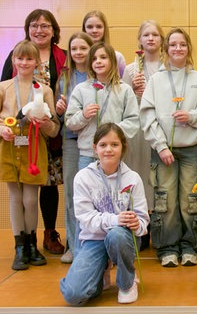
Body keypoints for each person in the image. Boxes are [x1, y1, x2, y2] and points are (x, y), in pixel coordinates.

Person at [140, 27, 197, 267]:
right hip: (164, 150)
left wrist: (191, 117)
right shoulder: (156, 80)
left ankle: (190, 246)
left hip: (192, 149)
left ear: (188, 48)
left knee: (191, 199)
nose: (178, 48)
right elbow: (147, 116)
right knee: (166, 200)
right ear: (165, 49)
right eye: (173, 44)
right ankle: (167, 247)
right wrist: (161, 146)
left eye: (182, 44)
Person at [0, 40, 60, 270]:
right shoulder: (3, 87)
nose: (24, 62)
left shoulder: (44, 90)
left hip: (33, 150)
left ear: (37, 62)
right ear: (13, 61)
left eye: (29, 59)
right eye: (20, 58)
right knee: (15, 198)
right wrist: (1, 129)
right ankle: (20, 247)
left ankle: (32, 244)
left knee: (30, 199)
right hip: (7, 149)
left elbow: (55, 127)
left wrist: (46, 123)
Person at [59, 123, 150, 305]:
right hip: (94, 240)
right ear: (95, 148)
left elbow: (143, 220)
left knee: (116, 234)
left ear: (123, 147)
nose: (108, 149)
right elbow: (84, 219)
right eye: (103, 145)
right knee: (74, 295)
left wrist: (136, 224)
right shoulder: (83, 177)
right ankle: (101, 270)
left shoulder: (133, 178)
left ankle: (127, 282)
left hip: (122, 239)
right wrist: (116, 219)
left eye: (114, 144)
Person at [0, 9, 66, 255]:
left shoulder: (63, 57)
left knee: (49, 184)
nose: (40, 29)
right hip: (21, 132)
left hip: (51, 129)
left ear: (53, 29)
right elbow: (4, 87)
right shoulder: (16, 55)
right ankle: (27, 240)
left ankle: (50, 233)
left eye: (45, 25)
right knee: (24, 190)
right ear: (28, 29)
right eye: (34, 25)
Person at [122, 20, 166, 251]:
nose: (150, 38)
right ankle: (139, 228)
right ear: (139, 40)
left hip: (160, 128)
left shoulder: (168, 67)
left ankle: (158, 225)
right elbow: (123, 99)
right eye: (146, 34)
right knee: (138, 174)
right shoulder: (131, 70)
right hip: (137, 131)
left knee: (157, 177)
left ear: (161, 40)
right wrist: (133, 90)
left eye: (155, 35)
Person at [65, 42, 140, 171]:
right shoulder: (81, 89)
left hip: (114, 154)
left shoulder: (125, 90)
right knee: (88, 190)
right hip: (88, 154)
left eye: (103, 57)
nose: (98, 61)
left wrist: (112, 132)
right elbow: (70, 122)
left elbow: (133, 121)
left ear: (112, 60)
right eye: (94, 59)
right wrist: (83, 116)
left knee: (114, 190)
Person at [55, 32, 94, 263]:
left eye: (83, 48)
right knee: (72, 194)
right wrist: (59, 111)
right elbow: (59, 114)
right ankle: (73, 244)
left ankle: (92, 243)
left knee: (93, 195)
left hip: (92, 141)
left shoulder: (97, 74)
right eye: (74, 49)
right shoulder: (64, 77)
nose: (78, 53)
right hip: (71, 140)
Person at [82, 10, 127, 77]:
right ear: (84, 30)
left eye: (99, 27)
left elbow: (123, 83)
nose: (94, 30)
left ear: (104, 29)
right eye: (90, 27)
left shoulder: (117, 57)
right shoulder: (80, 57)